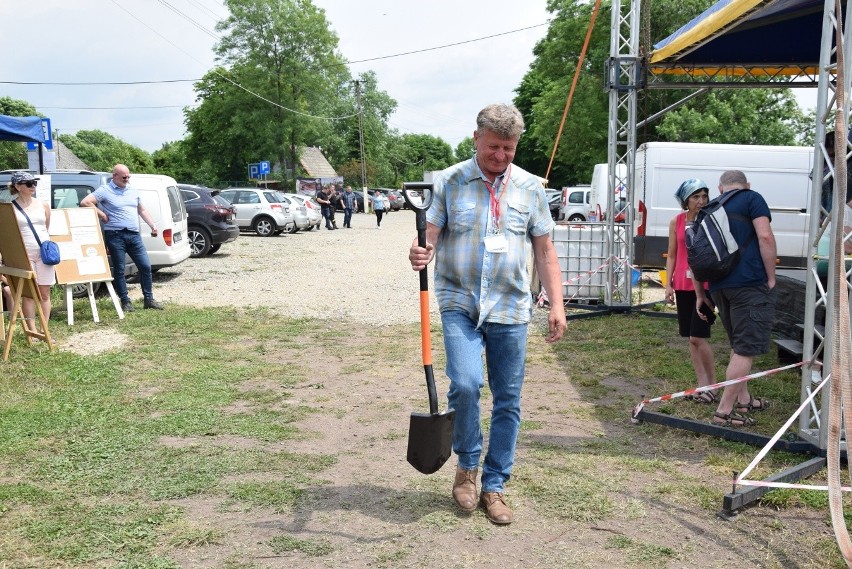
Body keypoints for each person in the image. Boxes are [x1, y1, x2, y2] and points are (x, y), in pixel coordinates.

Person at [408, 103, 567, 525]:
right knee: (464, 383)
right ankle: (467, 468)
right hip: (459, 300)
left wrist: (558, 304)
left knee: (508, 398)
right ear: (476, 138)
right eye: (494, 146)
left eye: (509, 149)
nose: (500, 156)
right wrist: (421, 249)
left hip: (511, 306)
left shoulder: (531, 187)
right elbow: (433, 233)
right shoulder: (451, 181)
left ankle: (494, 485)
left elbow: (545, 249)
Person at [693, 170, 775, 428]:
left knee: (738, 344)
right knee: (745, 348)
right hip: (749, 283)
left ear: (720, 188)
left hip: (719, 286)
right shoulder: (752, 198)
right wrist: (770, 277)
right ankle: (724, 410)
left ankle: (743, 398)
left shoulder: (710, 207)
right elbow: (764, 236)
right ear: (746, 185)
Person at [80, 164, 164, 311]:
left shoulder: (132, 190)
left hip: (133, 234)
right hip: (115, 235)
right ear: (115, 176)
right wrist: (102, 214)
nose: (127, 179)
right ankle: (125, 301)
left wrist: (153, 226)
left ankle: (149, 299)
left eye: (128, 176)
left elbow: (141, 209)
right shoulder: (105, 190)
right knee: (119, 269)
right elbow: (85, 202)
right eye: (124, 177)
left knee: (145, 266)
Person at [665, 179, 716, 403]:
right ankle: (701, 384)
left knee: (699, 335)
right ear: (686, 200)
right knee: (691, 338)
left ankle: (713, 386)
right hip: (683, 285)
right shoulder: (676, 221)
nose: (701, 201)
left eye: (704, 196)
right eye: (696, 197)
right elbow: (673, 254)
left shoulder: (711, 220)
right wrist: (668, 283)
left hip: (704, 286)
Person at [9, 172, 53, 331]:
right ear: (18, 186)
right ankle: (32, 332)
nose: (33, 186)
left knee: (45, 293)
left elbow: (46, 228)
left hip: (44, 253)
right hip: (24, 254)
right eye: (28, 184)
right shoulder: (11, 208)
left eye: (34, 183)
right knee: (29, 294)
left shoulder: (43, 205)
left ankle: (44, 330)